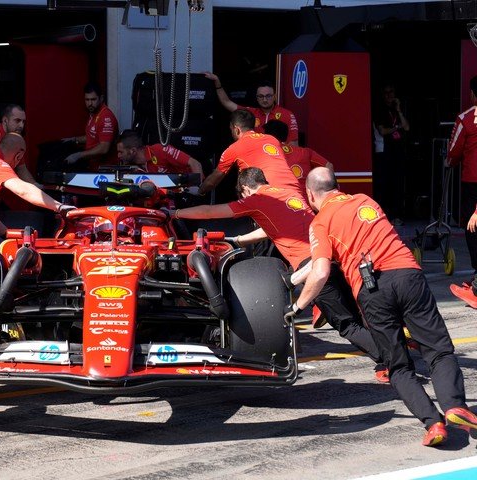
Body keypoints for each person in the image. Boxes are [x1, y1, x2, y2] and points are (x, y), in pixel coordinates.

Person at [288, 167, 477, 447]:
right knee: (438, 351)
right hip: (407, 275)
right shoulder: (366, 201)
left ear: (310, 195)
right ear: (337, 186)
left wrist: (297, 305)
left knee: (398, 366)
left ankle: (433, 422)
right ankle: (454, 406)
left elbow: (320, 271)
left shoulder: (320, 222)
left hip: (371, 291)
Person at [175, 167, 386, 381]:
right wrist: (239, 240)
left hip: (311, 266)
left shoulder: (257, 199)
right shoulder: (288, 194)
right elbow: (274, 228)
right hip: (331, 256)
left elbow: (211, 212)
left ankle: (391, 362)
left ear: (246, 189)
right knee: (359, 318)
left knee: (347, 325)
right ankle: (390, 359)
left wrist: (175, 213)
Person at [199, 109, 300, 195]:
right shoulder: (272, 139)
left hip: (269, 195)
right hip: (294, 191)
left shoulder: (234, 148)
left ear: (236, 130)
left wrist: (199, 191)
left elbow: (211, 182)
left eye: (231, 130)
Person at [204, 73, 299, 145]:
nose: (265, 99)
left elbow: (294, 144)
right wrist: (217, 82)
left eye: (268, 96)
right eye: (261, 96)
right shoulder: (251, 113)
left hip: (277, 161)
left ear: (275, 96)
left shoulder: (287, 114)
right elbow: (227, 102)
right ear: (256, 98)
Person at [447, 75, 477, 304]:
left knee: (473, 228)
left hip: (473, 182)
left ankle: (476, 287)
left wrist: (450, 161)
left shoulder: (465, 118)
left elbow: (454, 151)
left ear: (473, 94)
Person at [262, 119, 333, 198]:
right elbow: (328, 165)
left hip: (276, 200)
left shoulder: (263, 153)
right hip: (303, 202)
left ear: (267, 136)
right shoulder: (305, 152)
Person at [373, 84, 410, 226]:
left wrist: (399, 110)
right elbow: (382, 131)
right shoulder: (379, 110)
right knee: (384, 185)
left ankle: (397, 216)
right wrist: (396, 127)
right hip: (383, 152)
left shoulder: (396, 110)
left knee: (397, 184)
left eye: (391, 92)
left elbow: (407, 127)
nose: (389, 95)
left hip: (397, 152)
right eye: (386, 93)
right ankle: (383, 217)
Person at [63, 82, 119, 171]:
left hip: (105, 170)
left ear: (101, 98)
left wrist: (79, 155)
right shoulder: (93, 114)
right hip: (94, 167)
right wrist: (74, 139)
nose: (90, 103)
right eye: (87, 100)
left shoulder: (105, 117)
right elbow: (93, 136)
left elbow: (104, 148)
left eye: (93, 99)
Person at [116, 130, 204, 180]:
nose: (118, 156)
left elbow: (195, 163)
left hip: (186, 194)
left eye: (121, 152)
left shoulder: (160, 150)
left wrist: (197, 188)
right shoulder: (130, 168)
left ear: (132, 151)